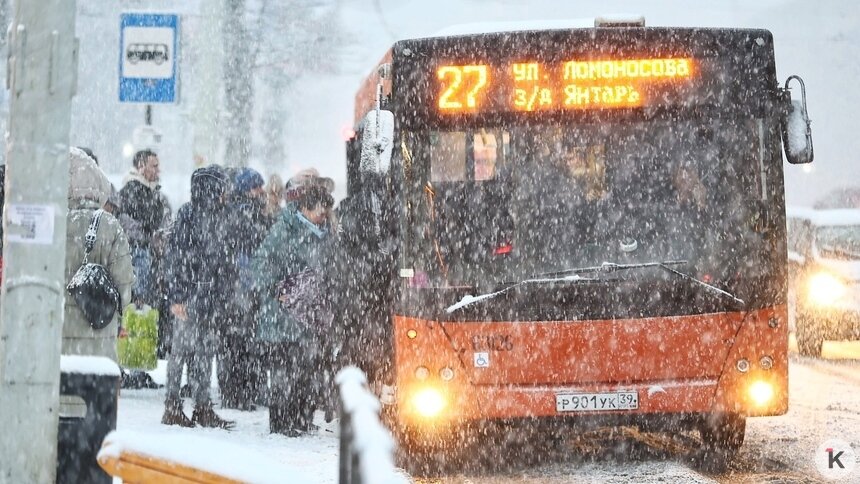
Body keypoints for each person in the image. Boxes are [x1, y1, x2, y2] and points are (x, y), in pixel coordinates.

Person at [252, 175, 334, 436]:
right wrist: (279, 289)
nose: (324, 217)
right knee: (283, 372)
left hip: (308, 316)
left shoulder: (322, 233)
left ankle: (300, 418)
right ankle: (281, 422)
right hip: (282, 317)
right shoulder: (284, 231)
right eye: (320, 212)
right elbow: (261, 265)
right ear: (306, 209)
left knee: (305, 371)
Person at [61, 148, 134, 418]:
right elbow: (124, 282)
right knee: (93, 407)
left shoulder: (57, 222)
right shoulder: (110, 226)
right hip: (98, 329)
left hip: (59, 329)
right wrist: (121, 317)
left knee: (62, 394)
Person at [161, 166, 234, 429]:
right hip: (191, 294)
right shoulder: (190, 215)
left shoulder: (216, 215)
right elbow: (177, 258)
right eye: (222, 187)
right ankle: (172, 406)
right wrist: (178, 296)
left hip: (207, 296)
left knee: (204, 352)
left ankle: (202, 406)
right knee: (180, 352)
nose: (226, 192)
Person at [218, 167, 270, 410]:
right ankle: (241, 391)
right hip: (242, 288)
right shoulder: (246, 214)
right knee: (242, 343)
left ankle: (238, 391)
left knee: (238, 342)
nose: (261, 191)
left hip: (239, 288)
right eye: (257, 186)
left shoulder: (237, 212)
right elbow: (248, 247)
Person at [118, 149, 168, 307]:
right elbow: (149, 222)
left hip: (143, 252)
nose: (158, 170)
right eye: (154, 166)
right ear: (141, 166)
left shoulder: (148, 191)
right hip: (140, 252)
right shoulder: (135, 191)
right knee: (140, 304)